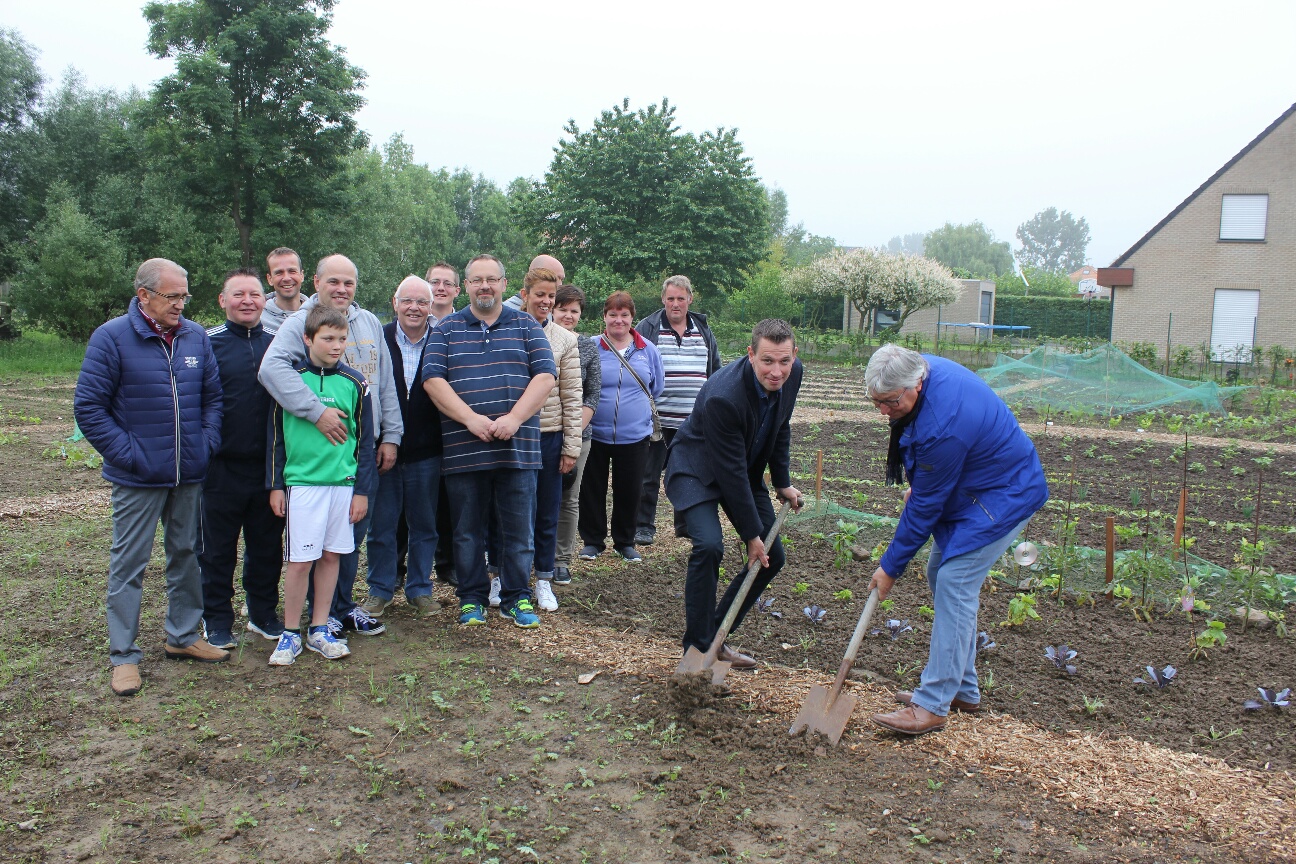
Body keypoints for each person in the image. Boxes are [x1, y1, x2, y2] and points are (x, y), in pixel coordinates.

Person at [865, 344, 1048, 736]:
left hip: (1005, 493)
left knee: (954, 581)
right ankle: (963, 688)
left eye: (890, 402)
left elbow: (926, 508)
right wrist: (926, 482)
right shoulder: (925, 375)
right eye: (876, 402)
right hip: (979, 483)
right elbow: (930, 483)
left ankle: (932, 703)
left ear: (917, 382)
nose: (884, 411)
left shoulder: (941, 423)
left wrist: (890, 567)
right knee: (941, 574)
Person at [74, 258, 228, 697]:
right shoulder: (112, 339)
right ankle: (124, 656)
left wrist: (205, 443)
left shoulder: (195, 336)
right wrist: (133, 456)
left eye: (184, 296)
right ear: (144, 296)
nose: (180, 304)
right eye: (172, 296)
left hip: (189, 473)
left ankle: (183, 636)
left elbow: (213, 398)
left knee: (186, 553)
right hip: (138, 478)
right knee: (130, 564)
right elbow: (89, 408)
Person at [258, 254, 402, 637]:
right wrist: (315, 411)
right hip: (313, 457)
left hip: (359, 450)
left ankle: (340, 607)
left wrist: (391, 435)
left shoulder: (368, 321)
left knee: (348, 538)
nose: (341, 290)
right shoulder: (298, 323)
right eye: (333, 282)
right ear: (317, 282)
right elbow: (271, 371)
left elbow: (383, 382)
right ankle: (318, 614)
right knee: (310, 548)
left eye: (349, 283)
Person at [422, 254, 556, 629]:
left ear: (503, 283)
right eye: (477, 280)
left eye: (491, 279)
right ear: (466, 286)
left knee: (518, 531)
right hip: (465, 449)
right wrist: (470, 419)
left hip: (518, 448)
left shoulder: (527, 325)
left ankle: (516, 598)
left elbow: (545, 377)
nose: (484, 286)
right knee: (467, 531)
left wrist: (514, 418)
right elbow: (433, 380)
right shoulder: (446, 329)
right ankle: (471, 599)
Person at [666, 319, 803, 670]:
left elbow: (781, 424)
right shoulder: (724, 396)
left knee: (773, 557)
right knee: (710, 545)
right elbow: (728, 472)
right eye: (768, 361)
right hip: (697, 468)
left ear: (794, 356)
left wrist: (782, 481)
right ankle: (696, 651)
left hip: (743, 468)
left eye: (784, 361)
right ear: (751, 355)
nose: (777, 371)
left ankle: (716, 636)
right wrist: (750, 534)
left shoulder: (792, 374)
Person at [267, 305, 376, 665]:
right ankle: (289, 633)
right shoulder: (292, 380)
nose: (335, 345)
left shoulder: (356, 383)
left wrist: (361, 490)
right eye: (327, 338)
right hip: (302, 485)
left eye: (342, 339)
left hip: (342, 487)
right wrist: (276, 485)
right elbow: (276, 440)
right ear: (307, 339)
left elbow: (364, 442)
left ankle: (319, 629)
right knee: (300, 561)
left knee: (331, 557)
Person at [198, 268, 286, 649]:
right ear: (223, 300)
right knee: (217, 550)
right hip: (220, 468)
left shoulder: (278, 345)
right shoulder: (205, 343)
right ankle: (216, 620)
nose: (248, 301)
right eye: (239, 294)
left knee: (266, 546)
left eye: (254, 294)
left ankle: (263, 614)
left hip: (267, 468)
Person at [487, 267, 581, 612]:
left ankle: (542, 578)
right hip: (509, 435)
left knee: (545, 512)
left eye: (551, 297)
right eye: (539, 294)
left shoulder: (565, 340)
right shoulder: (503, 329)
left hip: (548, 437)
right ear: (524, 294)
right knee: (502, 512)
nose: (545, 301)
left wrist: (571, 446)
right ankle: (496, 576)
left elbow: (572, 396)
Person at [361, 276, 444, 618]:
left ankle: (420, 589)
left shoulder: (442, 339)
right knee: (381, 526)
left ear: (430, 306)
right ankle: (380, 589)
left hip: (428, 449)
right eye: (407, 301)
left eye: (422, 302)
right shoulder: (376, 338)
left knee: (424, 525)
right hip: (384, 450)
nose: (414, 308)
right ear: (395, 302)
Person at [633, 275, 722, 545]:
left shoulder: (703, 330)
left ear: (690, 300)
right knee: (648, 475)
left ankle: (685, 524)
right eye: (670, 298)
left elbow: (715, 371)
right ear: (663, 299)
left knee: (689, 474)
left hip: (693, 422)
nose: (675, 304)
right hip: (657, 420)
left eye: (680, 298)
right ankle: (643, 526)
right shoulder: (647, 327)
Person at [578, 291, 664, 564]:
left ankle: (625, 542)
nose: (618, 320)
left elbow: (656, 387)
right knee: (591, 488)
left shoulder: (647, 350)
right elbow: (582, 385)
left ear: (632, 317)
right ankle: (592, 541)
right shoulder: (591, 346)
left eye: (624, 315)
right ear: (604, 317)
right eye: (613, 315)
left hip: (635, 434)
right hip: (596, 431)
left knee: (630, 489)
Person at [552, 285, 600, 585]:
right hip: (541, 432)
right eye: (563, 309)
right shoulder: (538, 338)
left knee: (568, 499)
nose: (568, 315)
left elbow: (592, 395)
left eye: (574, 311)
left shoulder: (587, 347)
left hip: (579, 435)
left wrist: (572, 432)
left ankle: (560, 560)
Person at [424, 262, 461, 589]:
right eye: (434, 282)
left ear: (457, 291)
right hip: (419, 422)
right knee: (417, 499)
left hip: (455, 423)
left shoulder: (464, 324)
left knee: (450, 500)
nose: (440, 288)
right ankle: (400, 568)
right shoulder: (412, 323)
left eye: (447, 283)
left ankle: (447, 564)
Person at [261, 247, 306, 329]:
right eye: (279, 273)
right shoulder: (259, 320)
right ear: (269, 279)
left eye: (292, 271)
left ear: (302, 275)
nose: (286, 278)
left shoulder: (319, 316)